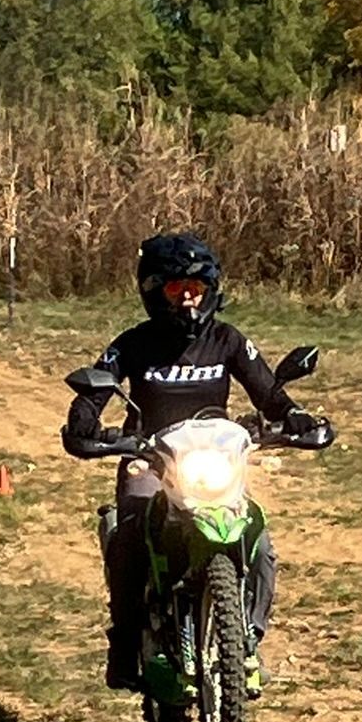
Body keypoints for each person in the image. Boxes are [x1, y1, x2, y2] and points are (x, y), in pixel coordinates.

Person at [62, 232, 322, 692]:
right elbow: (95, 390)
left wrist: (296, 416)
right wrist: (84, 423)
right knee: (131, 535)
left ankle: (247, 642)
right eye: (176, 288)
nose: (187, 299)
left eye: (196, 289)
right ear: (154, 292)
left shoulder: (227, 340)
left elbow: (268, 393)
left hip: (213, 459)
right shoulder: (133, 343)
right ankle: (124, 642)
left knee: (260, 543)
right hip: (151, 460)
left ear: (211, 291)